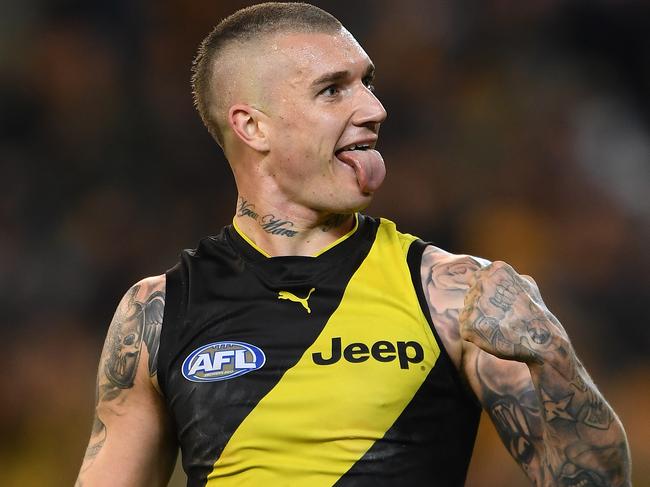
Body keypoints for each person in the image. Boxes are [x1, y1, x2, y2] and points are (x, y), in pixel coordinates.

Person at [76, 3, 631, 486]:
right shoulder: (157, 313)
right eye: (333, 89)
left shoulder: (453, 293)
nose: (373, 108)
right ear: (253, 127)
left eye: (367, 83)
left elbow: (593, 480)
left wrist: (553, 355)